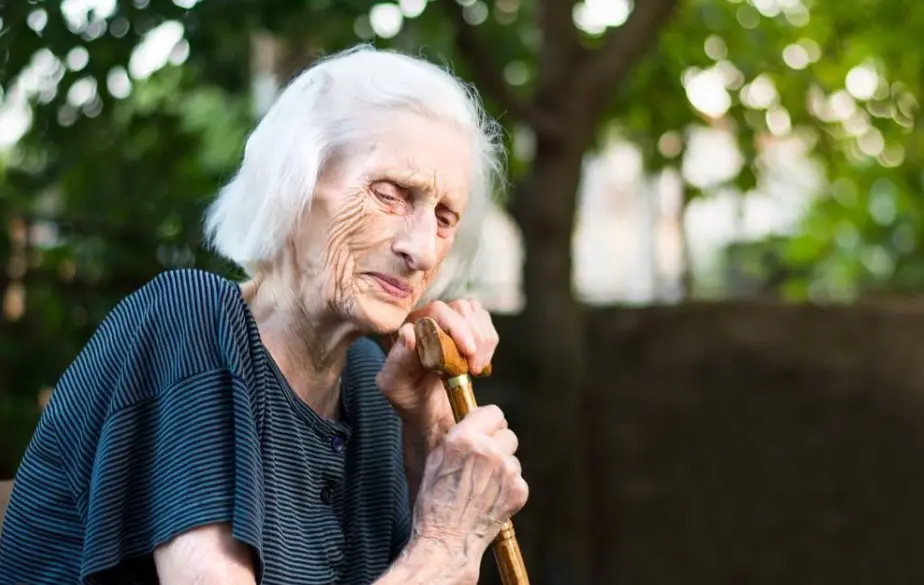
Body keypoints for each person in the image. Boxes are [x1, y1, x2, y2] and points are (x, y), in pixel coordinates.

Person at [0, 45, 528, 585]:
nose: (420, 248)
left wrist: (430, 428)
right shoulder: (193, 321)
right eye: (391, 194)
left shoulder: (371, 387)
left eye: (444, 218)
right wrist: (444, 540)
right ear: (292, 183)